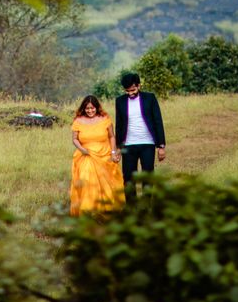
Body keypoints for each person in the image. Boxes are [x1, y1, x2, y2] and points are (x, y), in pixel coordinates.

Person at [69, 95, 125, 217]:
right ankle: (88, 209)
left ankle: (106, 208)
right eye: (87, 108)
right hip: (86, 155)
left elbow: (111, 136)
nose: (90, 111)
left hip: (104, 154)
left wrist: (114, 152)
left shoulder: (105, 119)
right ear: (84, 108)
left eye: (92, 108)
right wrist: (82, 149)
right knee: (87, 179)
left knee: (106, 181)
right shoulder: (78, 121)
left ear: (97, 107)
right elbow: (74, 139)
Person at [114, 73, 166, 204]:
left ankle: (146, 206)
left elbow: (157, 121)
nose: (130, 93)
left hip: (147, 144)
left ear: (139, 85)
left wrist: (161, 146)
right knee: (128, 178)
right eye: (127, 91)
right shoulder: (120, 101)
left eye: (133, 90)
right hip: (128, 145)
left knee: (147, 176)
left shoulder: (150, 98)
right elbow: (119, 125)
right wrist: (118, 147)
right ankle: (131, 209)